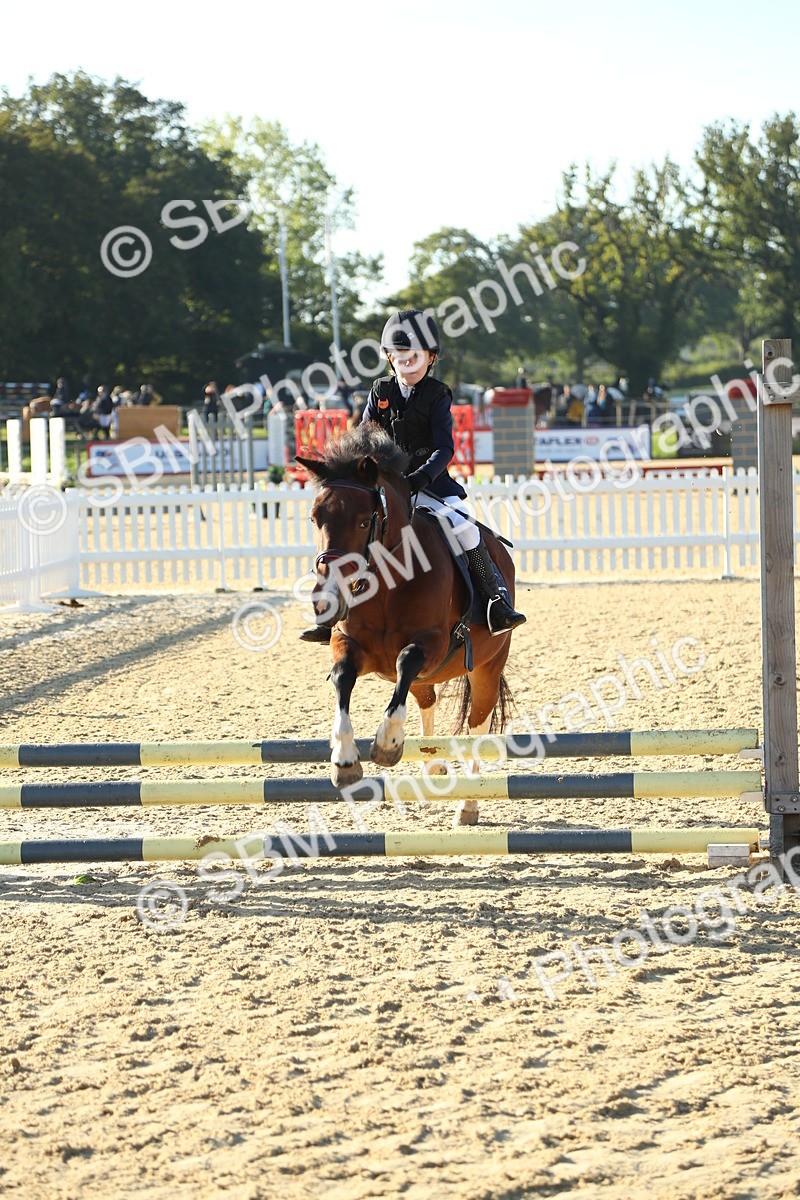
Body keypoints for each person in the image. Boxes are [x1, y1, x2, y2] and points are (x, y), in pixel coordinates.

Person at [303, 309, 526, 642]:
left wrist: (420, 478)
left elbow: (444, 449)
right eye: (399, 356)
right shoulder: (380, 391)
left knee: (465, 528)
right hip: (386, 489)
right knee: (346, 530)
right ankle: (329, 615)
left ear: (430, 357)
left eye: (414, 356)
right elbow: (363, 438)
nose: (406, 362)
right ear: (389, 358)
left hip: (430, 485)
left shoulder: (437, 394)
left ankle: (495, 602)